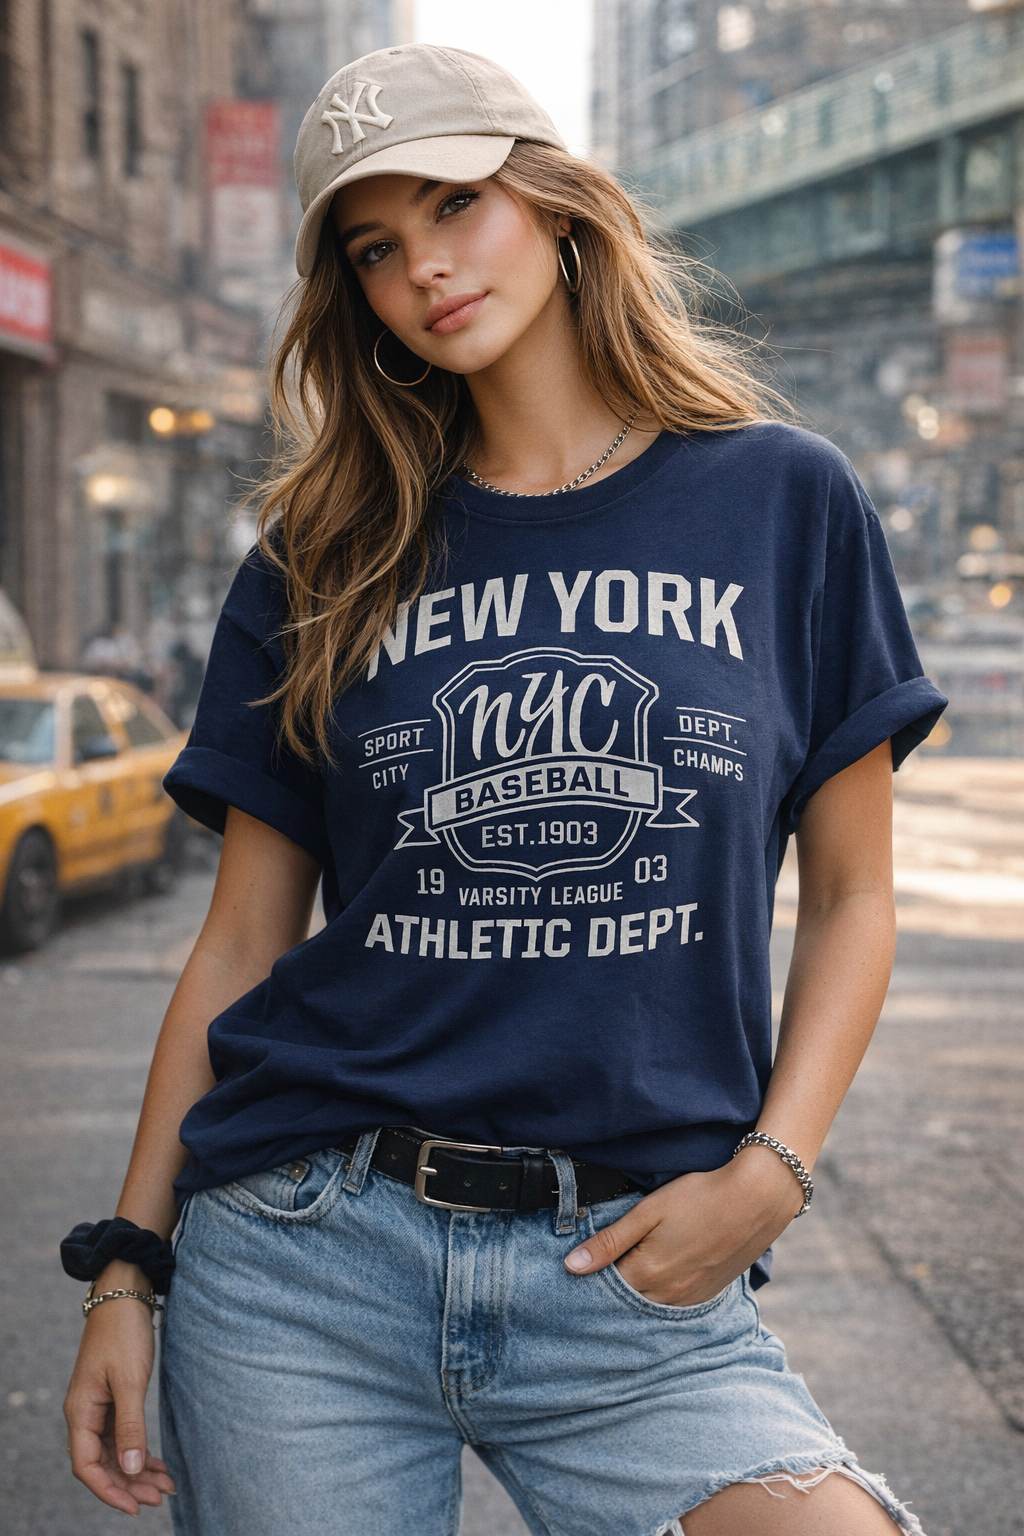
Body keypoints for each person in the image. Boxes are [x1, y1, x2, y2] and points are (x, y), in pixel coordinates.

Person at [62, 44, 946, 1536]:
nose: (422, 266)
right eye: (373, 247)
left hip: (630, 1264)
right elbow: (241, 945)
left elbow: (856, 895)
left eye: (455, 204)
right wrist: (127, 1268)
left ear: (554, 203)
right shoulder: (321, 553)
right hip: (306, 1256)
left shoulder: (784, 499)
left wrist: (774, 1174)